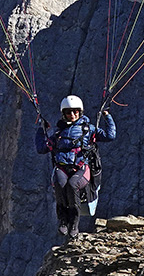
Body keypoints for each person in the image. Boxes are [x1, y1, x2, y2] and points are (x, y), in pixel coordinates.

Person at [35, 95, 116, 239]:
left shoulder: (88, 130)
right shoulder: (58, 133)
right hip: (62, 167)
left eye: (75, 112)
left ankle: (74, 223)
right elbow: (42, 148)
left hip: (81, 168)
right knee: (60, 184)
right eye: (68, 112)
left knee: (72, 186)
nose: (72, 115)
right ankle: (63, 220)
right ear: (63, 114)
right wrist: (41, 130)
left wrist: (107, 115)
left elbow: (110, 136)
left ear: (80, 112)